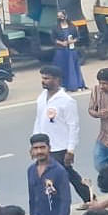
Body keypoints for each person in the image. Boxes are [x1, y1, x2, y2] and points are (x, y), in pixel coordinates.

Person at [34, 65, 93, 204]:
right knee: (68, 174)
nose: (43, 81)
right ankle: (89, 198)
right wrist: (34, 143)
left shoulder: (66, 101)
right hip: (44, 146)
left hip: (59, 147)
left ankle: (82, 199)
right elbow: (38, 120)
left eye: (47, 78)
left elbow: (73, 126)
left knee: (59, 175)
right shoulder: (41, 97)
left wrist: (70, 150)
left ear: (57, 80)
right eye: (42, 78)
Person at [28, 132, 78, 215]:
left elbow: (66, 200)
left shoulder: (59, 171)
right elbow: (32, 197)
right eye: (36, 148)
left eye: (42, 147)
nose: (39, 151)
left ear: (49, 148)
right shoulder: (31, 170)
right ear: (31, 151)